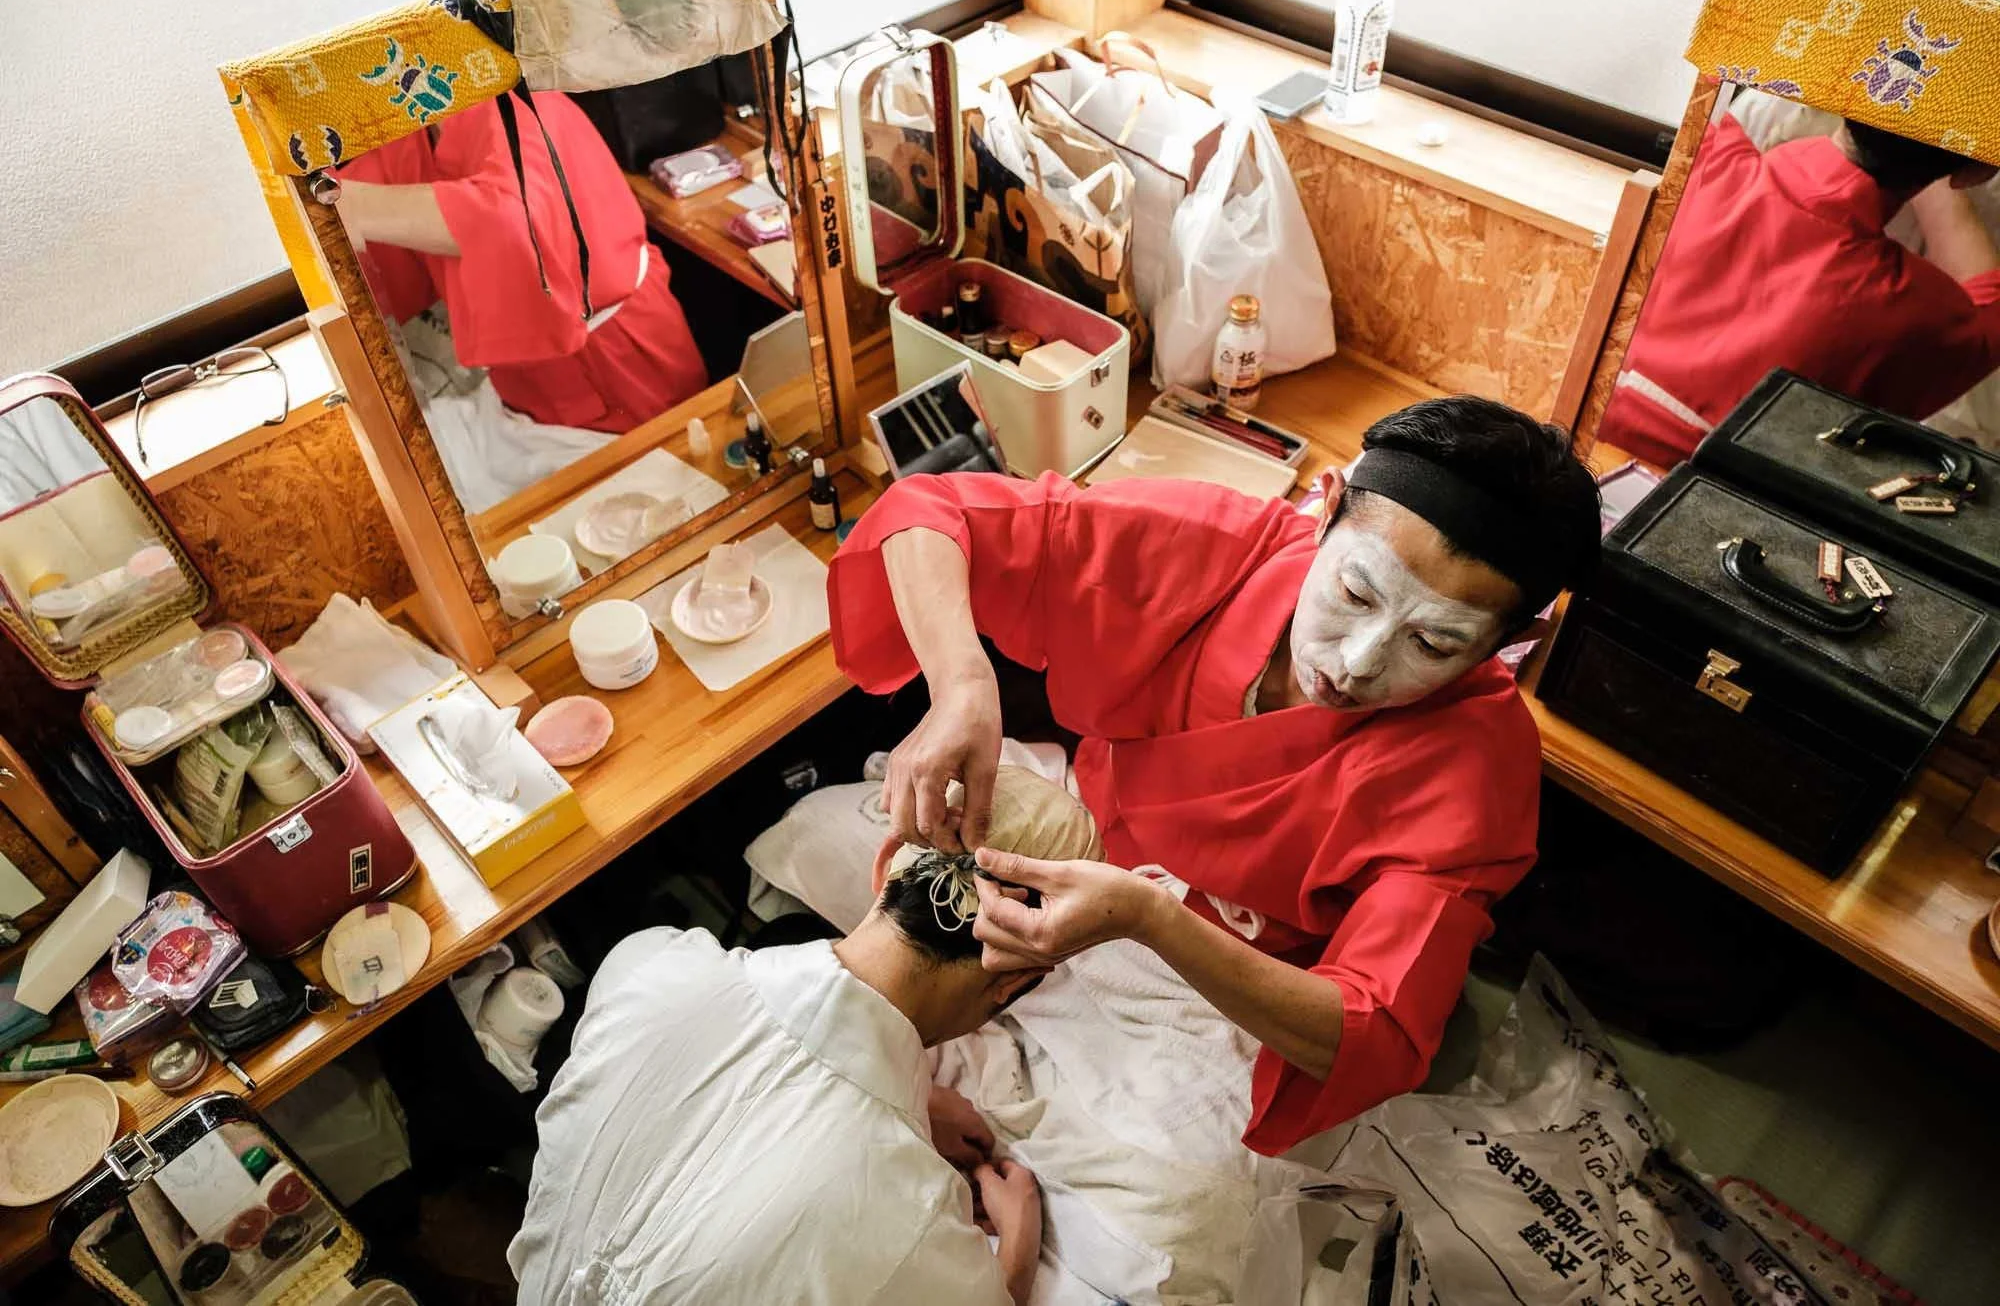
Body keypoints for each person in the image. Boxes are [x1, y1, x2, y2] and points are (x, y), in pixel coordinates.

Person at [827, 396, 1602, 1156]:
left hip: (1235, 976)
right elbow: (931, 513)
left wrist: (1150, 918)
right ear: (1325, 507)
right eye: (1355, 592)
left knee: (1171, 1217)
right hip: (1088, 841)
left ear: (1515, 640)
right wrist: (963, 683)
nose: (1355, 663)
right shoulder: (1215, 548)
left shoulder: (1476, 770)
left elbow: (1375, 1028)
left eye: (1434, 644)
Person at [508, 817, 1055, 1303]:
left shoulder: (650, 963)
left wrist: (911, 1097)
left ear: (885, 863)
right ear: (1014, 979)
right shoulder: (908, 1223)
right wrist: (1019, 1238)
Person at [1598, 115, 2000, 467]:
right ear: (1976, 174)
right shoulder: (1907, 312)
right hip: (1693, 509)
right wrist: (1939, 156)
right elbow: (1991, 309)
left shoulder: (1703, 149)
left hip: (1555, 439)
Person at [335, 90, 707, 433]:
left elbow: (509, 220)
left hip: (618, 358)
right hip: (521, 381)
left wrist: (348, 204)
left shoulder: (516, 100)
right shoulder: (414, 127)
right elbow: (365, 237)